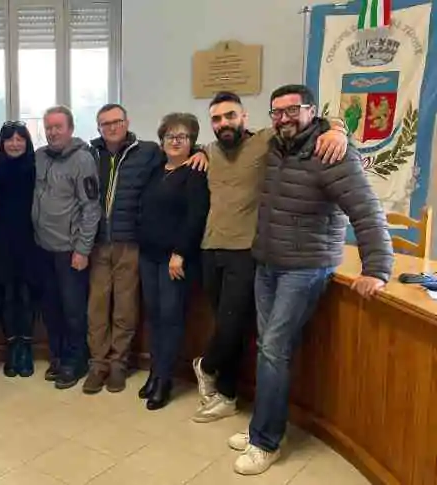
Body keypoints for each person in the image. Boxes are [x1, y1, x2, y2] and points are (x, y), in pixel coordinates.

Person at [229, 84, 393, 475]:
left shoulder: (331, 152)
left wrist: (376, 269)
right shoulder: (274, 146)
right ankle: (264, 428)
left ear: (311, 111)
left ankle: (265, 442)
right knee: (269, 348)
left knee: (273, 349)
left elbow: (367, 211)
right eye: (277, 112)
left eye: (293, 110)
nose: (284, 118)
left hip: (304, 268)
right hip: (268, 264)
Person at [188, 91, 349, 423]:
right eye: (216, 119)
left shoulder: (265, 141)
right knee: (226, 325)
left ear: (244, 117)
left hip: (247, 251)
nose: (223, 123)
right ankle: (227, 396)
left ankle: (206, 365)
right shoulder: (209, 152)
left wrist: (338, 130)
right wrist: (199, 151)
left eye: (230, 115)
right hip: (210, 249)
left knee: (232, 324)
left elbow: (310, 123)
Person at [83, 104, 163, 395]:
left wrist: (201, 152)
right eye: (105, 124)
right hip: (97, 243)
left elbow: (179, 152)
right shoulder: (90, 153)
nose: (112, 127)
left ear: (127, 122)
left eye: (116, 121)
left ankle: (118, 364)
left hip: (130, 242)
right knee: (97, 308)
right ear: (98, 128)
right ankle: (98, 364)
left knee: (125, 307)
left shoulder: (148, 152)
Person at [137, 113, 209, 410]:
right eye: (170, 136)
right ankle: (154, 372)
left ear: (192, 141)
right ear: (162, 141)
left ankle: (164, 380)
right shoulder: (156, 169)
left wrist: (179, 253)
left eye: (182, 137)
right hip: (148, 256)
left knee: (170, 318)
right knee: (154, 316)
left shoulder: (195, 172)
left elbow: (196, 217)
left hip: (175, 260)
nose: (175, 141)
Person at [32, 105, 101, 389]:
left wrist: (83, 250)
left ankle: (76, 360)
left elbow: (91, 208)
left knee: (73, 310)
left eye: (58, 127)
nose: (52, 132)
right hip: (42, 248)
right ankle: (59, 356)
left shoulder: (83, 159)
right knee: (51, 309)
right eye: (48, 127)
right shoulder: (39, 156)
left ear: (70, 129)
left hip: (70, 251)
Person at [0, 121, 40, 378]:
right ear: (2, 143)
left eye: (20, 139)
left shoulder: (37, 166)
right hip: (1, 242)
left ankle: (25, 347)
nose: (15, 144)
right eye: (9, 139)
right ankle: (12, 346)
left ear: (27, 142)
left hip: (30, 241)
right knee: (5, 296)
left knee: (27, 296)